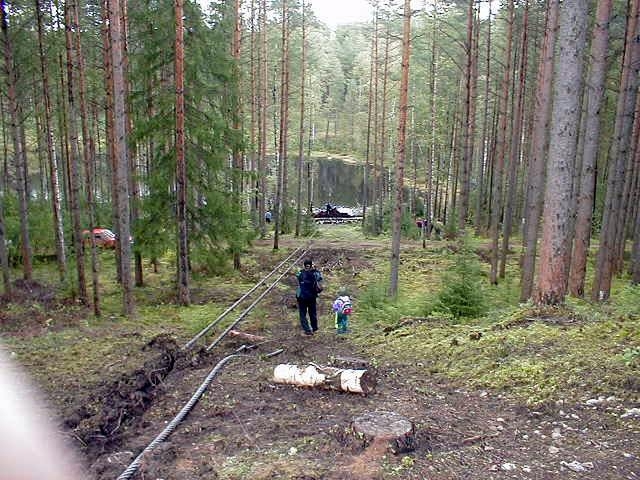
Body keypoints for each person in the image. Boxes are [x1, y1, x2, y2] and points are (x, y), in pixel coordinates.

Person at [296, 258, 323, 335]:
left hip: (302, 297)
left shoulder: (300, 273)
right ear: (311, 265)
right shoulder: (315, 273)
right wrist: (315, 269)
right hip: (312, 297)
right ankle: (314, 328)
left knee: (302, 314)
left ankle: (307, 330)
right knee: (312, 313)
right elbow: (320, 278)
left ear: (304, 265)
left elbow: (297, 276)